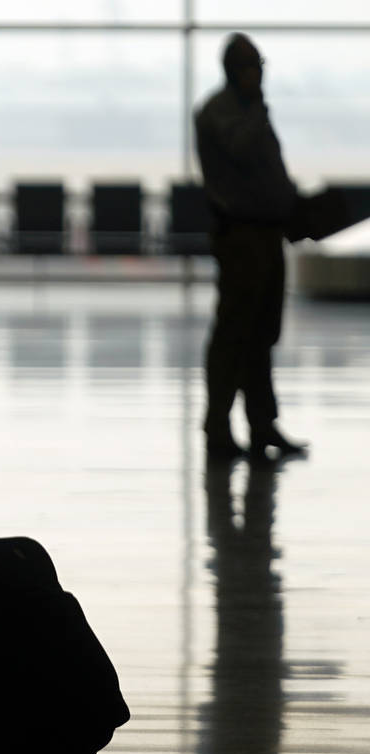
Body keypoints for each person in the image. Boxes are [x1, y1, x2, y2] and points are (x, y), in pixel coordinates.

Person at [194, 33, 307, 462]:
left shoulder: (246, 111)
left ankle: (262, 424)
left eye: (258, 65)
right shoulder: (222, 112)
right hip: (241, 236)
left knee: (261, 334)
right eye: (249, 66)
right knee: (233, 335)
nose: (256, 74)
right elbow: (241, 151)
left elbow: (267, 169)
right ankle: (218, 427)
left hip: (266, 233)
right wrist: (257, 106)